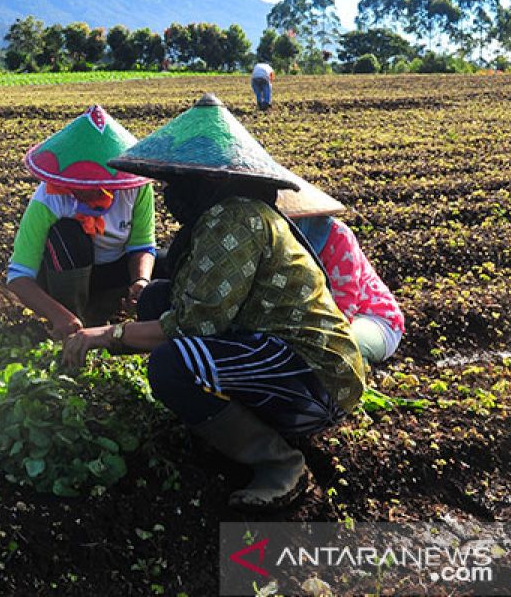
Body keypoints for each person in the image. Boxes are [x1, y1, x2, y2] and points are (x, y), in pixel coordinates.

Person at [61, 94, 366, 510]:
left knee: (173, 363)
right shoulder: (225, 216)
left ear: (213, 181)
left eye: (180, 181)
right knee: (156, 299)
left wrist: (106, 335)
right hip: (272, 356)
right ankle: (221, 424)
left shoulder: (236, 218)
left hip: (315, 377)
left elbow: (193, 325)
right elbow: (185, 306)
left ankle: (282, 464)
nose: (170, 193)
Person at [6, 105, 156, 340]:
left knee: (172, 264)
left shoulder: (135, 188)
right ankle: (75, 322)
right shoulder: (48, 198)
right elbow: (18, 276)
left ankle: (118, 312)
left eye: (95, 182)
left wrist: (140, 281)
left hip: (114, 271)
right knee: (68, 234)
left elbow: (141, 246)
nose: (87, 189)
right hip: (64, 276)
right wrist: (59, 315)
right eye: (80, 182)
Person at [277, 181, 406, 363]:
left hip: (372, 318)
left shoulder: (338, 237)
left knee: (340, 349)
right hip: (322, 322)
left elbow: (343, 306)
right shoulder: (283, 243)